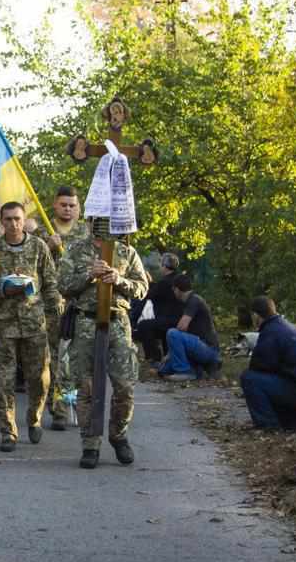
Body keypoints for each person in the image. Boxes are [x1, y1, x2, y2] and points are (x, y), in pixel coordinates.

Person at [58, 217, 149, 469]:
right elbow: (62, 285)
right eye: (99, 220)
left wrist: (119, 279)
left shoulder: (127, 252)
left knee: (124, 385)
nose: (103, 225)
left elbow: (142, 288)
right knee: (86, 386)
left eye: (108, 220)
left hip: (118, 322)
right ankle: (90, 443)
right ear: (90, 221)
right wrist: (90, 275)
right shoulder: (75, 250)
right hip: (86, 322)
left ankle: (118, 435)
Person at [0, 202, 61, 452]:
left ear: (24, 219)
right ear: (1, 221)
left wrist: (55, 314)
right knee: (4, 380)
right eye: (8, 219)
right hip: (3, 324)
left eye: (17, 219)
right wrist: (2, 289)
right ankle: (8, 432)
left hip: (34, 323)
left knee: (39, 378)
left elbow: (50, 283)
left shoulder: (38, 246)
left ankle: (34, 417)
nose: (13, 224)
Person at [34, 185, 91, 430]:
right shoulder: (42, 230)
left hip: (79, 303)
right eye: (63, 204)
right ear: (55, 205)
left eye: (72, 205)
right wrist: (47, 244)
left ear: (78, 208)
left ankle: (82, 407)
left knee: (78, 358)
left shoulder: (86, 233)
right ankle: (57, 410)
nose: (68, 209)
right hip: (51, 304)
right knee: (53, 359)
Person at [239, 297, 296, 430]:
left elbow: (257, 366)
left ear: (256, 316)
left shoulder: (271, 332)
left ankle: (269, 425)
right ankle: (292, 419)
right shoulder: (289, 326)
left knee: (249, 378)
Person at [160, 274, 221, 381]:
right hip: (196, 346)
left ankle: (185, 371)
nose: (173, 293)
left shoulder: (194, 301)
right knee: (164, 370)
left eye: (173, 290)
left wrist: (169, 353)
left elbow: (182, 327)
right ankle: (198, 370)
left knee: (172, 333)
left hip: (207, 348)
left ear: (177, 289)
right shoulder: (187, 302)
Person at [131, 252, 184, 375]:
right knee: (154, 325)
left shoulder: (164, 283)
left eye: (161, 264)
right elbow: (159, 290)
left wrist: (133, 320)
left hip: (169, 320)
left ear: (164, 266)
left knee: (144, 325)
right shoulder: (178, 279)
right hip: (180, 319)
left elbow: (147, 295)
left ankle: (155, 359)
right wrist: (151, 283)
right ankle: (165, 358)